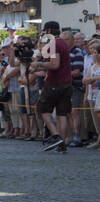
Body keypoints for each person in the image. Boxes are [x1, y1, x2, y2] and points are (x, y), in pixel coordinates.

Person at [34, 21, 73, 153]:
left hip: (55, 83)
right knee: (62, 115)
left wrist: (38, 65)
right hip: (66, 83)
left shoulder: (54, 44)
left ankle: (56, 136)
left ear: (49, 31)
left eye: (45, 31)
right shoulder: (63, 43)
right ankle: (62, 144)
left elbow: (54, 64)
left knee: (43, 110)